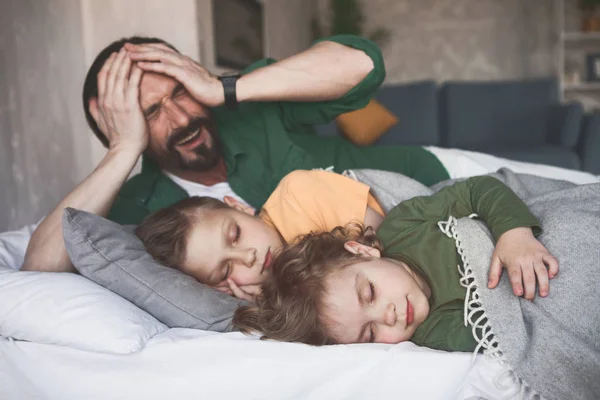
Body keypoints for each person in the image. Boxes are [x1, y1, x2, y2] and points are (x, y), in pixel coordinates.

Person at [21, 33, 595, 273]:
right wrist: (123, 151)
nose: (183, 117)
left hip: (441, 177)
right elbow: (39, 270)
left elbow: (364, 65)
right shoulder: (142, 207)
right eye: (151, 113)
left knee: (581, 205)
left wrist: (223, 86)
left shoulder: (244, 105)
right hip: (405, 249)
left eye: (180, 93)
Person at [232, 175, 559, 352]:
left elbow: (478, 190)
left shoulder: (402, 226)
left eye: (370, 293)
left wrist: (514, 233)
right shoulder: (432, 332)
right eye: (370, 333)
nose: (388, 316)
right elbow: (503, 334)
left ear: (362, 251)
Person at [135, 169, 386, 302]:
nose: (248, 257)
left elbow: (391, 245)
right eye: (225, 271)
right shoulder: (274, 296)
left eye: (235, 235)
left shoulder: (299, 195)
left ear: (239, 207)